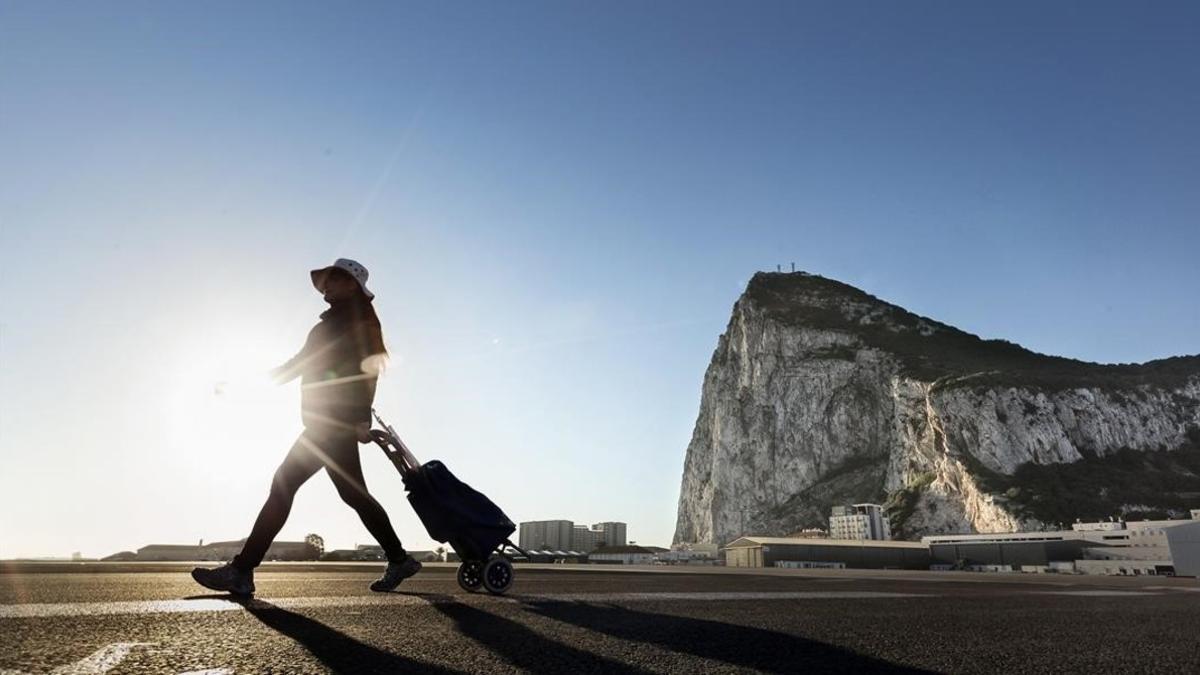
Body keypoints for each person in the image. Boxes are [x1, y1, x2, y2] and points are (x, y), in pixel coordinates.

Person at [192, 258, 421, 595]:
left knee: (284, 485)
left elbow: (366, 372)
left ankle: (241, 570)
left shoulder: (351, 324)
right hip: (326, 423)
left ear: (352, 286)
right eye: (324, 280)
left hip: (332, 425)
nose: (325, 284)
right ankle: (399, 558)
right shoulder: (334, 323)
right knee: (353, 495)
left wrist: (360, 418)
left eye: (333, 279)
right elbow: (300, 365)